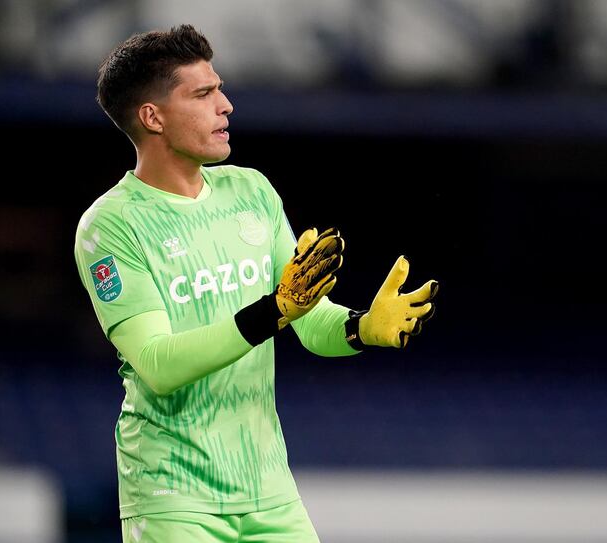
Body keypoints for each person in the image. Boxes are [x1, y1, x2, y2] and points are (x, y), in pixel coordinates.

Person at [74, 24, 438, 543]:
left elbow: (308, 320)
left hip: (268, 489)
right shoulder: (110, 226)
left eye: (219, 88)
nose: (226, 105)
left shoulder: (252, 192)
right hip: (172, 498)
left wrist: (360, 329)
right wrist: (275, 311)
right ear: (152, 116)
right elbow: (157, 365)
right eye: (203, 94)